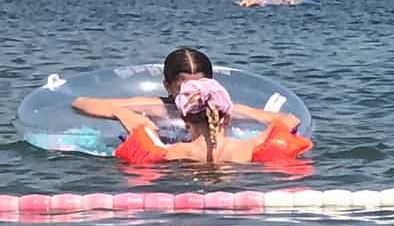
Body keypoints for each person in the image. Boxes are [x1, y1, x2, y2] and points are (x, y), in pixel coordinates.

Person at [71, 47, 285, 137]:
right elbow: (80, 103)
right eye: (184, 88)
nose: (193, 94)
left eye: (200, 85)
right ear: (167, 85)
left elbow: (285, 120)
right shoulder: (158, 108)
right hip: (164, 169)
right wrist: (122, 114)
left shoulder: (221, 111)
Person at [110, 78, 311, 164]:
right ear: (227, 117)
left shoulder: (174, 152)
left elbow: (145, 146)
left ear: (184, 119)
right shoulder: (247, 149)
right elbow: (291, 121)